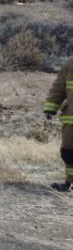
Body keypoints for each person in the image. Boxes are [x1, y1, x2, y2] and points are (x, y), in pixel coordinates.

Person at [43, 56, 73, 191]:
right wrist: (51, 107)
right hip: (71, 117)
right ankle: (70, 182)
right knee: (68, 151)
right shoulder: (71, 62)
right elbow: (59, 86)